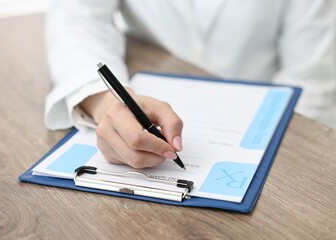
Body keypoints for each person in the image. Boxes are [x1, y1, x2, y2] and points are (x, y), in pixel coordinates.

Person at [44, 0, 336, 169]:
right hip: (147, 80)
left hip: (269, 120)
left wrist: (277, 163)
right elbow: (77, 18)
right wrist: (106, 102)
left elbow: (313, 79)